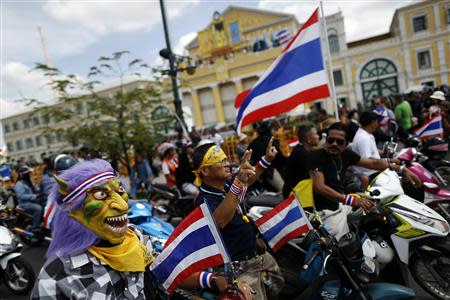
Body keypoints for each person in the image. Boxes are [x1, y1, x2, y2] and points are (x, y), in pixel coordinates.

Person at [32, 159, 253, 299]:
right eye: (101, 195)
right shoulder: (56, 277)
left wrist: (214, 281)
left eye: (120, 191)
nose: (121, 204)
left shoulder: (135, 236)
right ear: (75, 211)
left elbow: (165, 269)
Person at [193, 140, 284, 299]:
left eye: (226, 159)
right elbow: (220, 220)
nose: (227, 164)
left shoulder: (226, 185)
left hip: (257, 258)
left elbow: (246, 180)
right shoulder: (203, 200)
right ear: (205, 171)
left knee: (279, 289)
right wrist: (239, 182)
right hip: (240, 269)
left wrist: (266, 160)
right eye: (221, 162)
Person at [308, 122, 421, 240]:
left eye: (339, 142)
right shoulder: (316, 156)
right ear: (326, 140)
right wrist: (352, 200)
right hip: (327, 212)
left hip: (342, 203)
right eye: (331, 140)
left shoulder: (345, 154)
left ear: (346, 144)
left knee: (381, 210)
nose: (334, 144)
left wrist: (402, 169)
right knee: (344, 246)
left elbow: (372, 163)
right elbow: (319, 187)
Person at [282, 124, 320, 198]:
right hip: (294, 197)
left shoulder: (302, 150)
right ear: (308, 138)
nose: (318, 136)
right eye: (316, 134)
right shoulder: (301, 154)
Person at [247, 121, 286, 192]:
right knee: (283, 190)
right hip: (269, 172)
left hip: (256, 174)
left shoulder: (253, 142)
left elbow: (248, 157)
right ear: (270, 130)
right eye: (275, 130)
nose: (276, 132)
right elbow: (280, 159)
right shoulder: (271, 141)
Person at [14, 166, 42, 231]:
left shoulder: (28, 181)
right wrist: (34, 196)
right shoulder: (19, 184)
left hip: (32, 200)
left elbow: (36, 188)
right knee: (38, 208)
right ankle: (35, 227)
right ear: (23, 175)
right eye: (27, 174)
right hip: (24, 204)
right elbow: (21, 196)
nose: (29, 174)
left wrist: (41, 190)